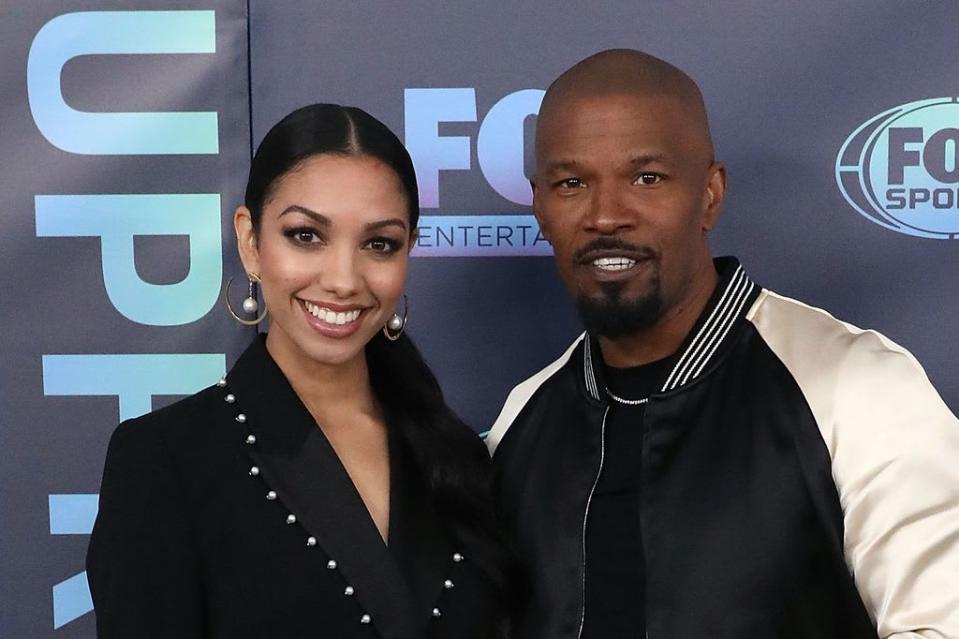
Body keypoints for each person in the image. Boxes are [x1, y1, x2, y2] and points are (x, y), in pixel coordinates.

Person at [487, 49, 959, 639]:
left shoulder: (855, 386)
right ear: (539, 206)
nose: (606, 215)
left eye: (646, 178)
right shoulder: (522, 420)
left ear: (709, 195)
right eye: (572, 183)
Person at [87, 104, 513, 638]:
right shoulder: (163, 460)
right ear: (250, 242)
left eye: (379, 244)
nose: (343, 280)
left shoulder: (456, 453)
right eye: (306, 235)